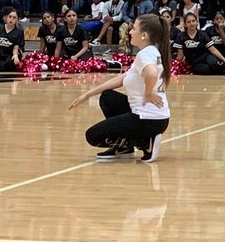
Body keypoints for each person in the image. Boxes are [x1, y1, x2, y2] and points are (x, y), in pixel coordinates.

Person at [67, 13, 171, 163]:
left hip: (147, 120)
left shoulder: (145, 54)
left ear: (144, 35)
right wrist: (88, 94)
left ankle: (143, 142)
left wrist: (148, 93)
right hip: (157, 119)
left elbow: (152, 73)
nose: (130, 32)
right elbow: (121, 78)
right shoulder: (152, 51)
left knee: (92, 136)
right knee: (108, 97)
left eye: (133, 28)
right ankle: (125, 148)